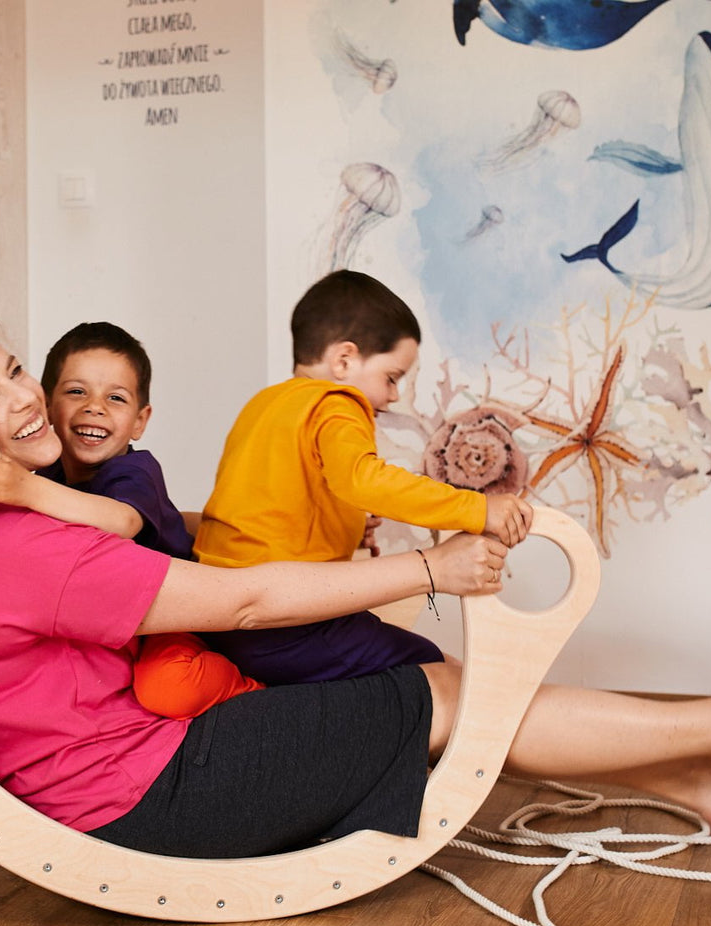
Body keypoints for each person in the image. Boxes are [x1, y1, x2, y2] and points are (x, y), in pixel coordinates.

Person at [0, 309, 711, 860]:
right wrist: (423, 566)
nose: (26, 398)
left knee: (406, 697)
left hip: (115, 766)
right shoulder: (23, 541)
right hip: (142, 794)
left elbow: (169, 554)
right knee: (429, 694)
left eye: (12, 371)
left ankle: (699, 771)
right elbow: (240, 603)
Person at [193, 269, 533, 685]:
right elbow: (363, 479)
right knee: (433, 667)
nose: (392, 396)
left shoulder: (264, 405)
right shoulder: (337, 401)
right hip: (282, 623)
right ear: (344, 360)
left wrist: (348, 525)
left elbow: (277, 500)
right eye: (391, 377)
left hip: (218, 610)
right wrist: (478, 508)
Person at [0, 321, 263, 720]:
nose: (94, 406)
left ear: (139, 420)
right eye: (76, 391)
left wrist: (25, 489)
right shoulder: (48, 475)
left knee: (167, 689)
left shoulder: (135, 472)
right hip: (106, 620)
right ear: (47, 405)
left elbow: (122, 522)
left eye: (116, 398)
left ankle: (253, 688)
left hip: (172, 616)